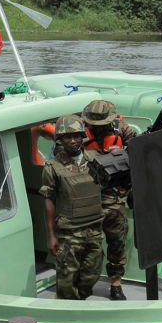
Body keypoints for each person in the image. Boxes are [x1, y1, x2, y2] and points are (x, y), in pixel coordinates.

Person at [38, 116, 104, 300]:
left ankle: (80, 299)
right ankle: (70, 311)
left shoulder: (96, 158)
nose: (73, 140)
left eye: (76, 136)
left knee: (92, 273)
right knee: (66, 281)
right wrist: (52, 236)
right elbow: (49, 201)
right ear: (60, 139)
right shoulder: (52, 168)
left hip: (94, 228)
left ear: (82, 136)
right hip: (69, 232)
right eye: (67, 137)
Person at [81, 100, 136, 301]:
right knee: (87, 244)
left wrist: (121, 155)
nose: (97, 127)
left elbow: (138, 153)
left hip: (114, 197)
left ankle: (115, 283)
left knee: (117, 242)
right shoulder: (77, 131)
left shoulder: (122, 130)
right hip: (86, 197)